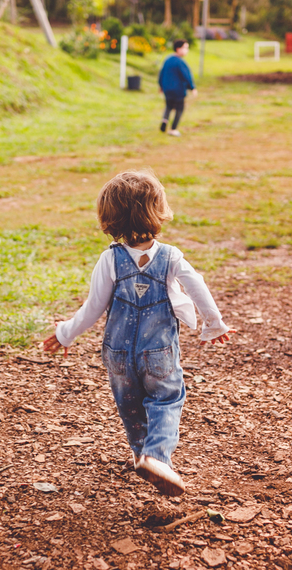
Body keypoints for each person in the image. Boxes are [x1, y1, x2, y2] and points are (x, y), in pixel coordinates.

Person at [41, 171, 232, 495]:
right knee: (167, 398)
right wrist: (214, 325)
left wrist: (64, 334)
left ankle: (140, 453)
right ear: (158, 211)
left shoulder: (110, 259)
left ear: (109, 218)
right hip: (158, 352)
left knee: (129, 403)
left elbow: (93, 308)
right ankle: (156, 457)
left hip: (117, 353)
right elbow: (197, 288)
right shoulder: (170, 256)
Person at [157, 39, 197, 137]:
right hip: (178, 90)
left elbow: (161, 73)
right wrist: (192, 88)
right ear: (178, 49)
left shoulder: (167, 59)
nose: (187, 50)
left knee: (169, 106)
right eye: (185, 48)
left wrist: (161, 85)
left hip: (167, 90)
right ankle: (173, 129)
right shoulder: (180, 62)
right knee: (180, 109)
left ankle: (165, 120)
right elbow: (186, 76)